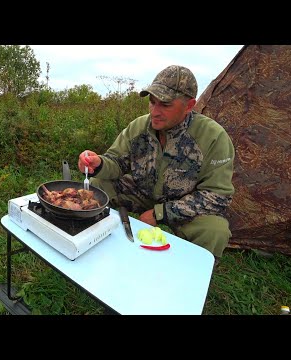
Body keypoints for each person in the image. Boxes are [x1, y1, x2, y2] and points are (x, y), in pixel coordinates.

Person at [78, 65, 235, 261]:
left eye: (165, 105)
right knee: (97, 186)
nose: (155, 111)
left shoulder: (213, 137)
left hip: (181, 202)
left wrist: (160, 214)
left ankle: (186, 278)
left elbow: (217, 195)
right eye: (152, 102)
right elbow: (117, 162)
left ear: (189, 106)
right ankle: (91, 247)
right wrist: (98, 163)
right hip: (141, 192)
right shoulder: (139, 126)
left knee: (214, 231)